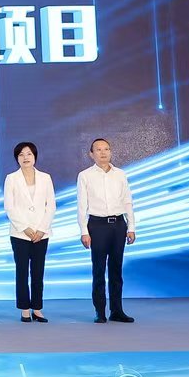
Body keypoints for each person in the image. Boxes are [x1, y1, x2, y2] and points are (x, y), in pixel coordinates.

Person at [77, 137, 136, 324]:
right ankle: (100, 311)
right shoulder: (85, 176)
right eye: (98, 150)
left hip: (118, 225)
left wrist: (131, 227)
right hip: (97, 225)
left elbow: (127, 201)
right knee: (99, 269)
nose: (103, 153)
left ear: (110, 152)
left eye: (106, 149)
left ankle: (117, 310)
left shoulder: (120, 174)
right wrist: (84, 231)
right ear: (91, 154)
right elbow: (82, 206)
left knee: (116, 269)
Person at [3, 141, 54, 323]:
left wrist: (41, 229)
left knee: (38, 272)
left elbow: (51, 206)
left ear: (35, 156)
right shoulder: (11, 179)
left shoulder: (45, 178)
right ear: (17, 158)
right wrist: (25, 227)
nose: (25, 157)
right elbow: (9, 207)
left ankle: (37, 308)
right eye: (21, 154)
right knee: (22, 271)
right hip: (20, 233)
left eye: (29, 154)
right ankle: (25, 309)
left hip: (41, 233)